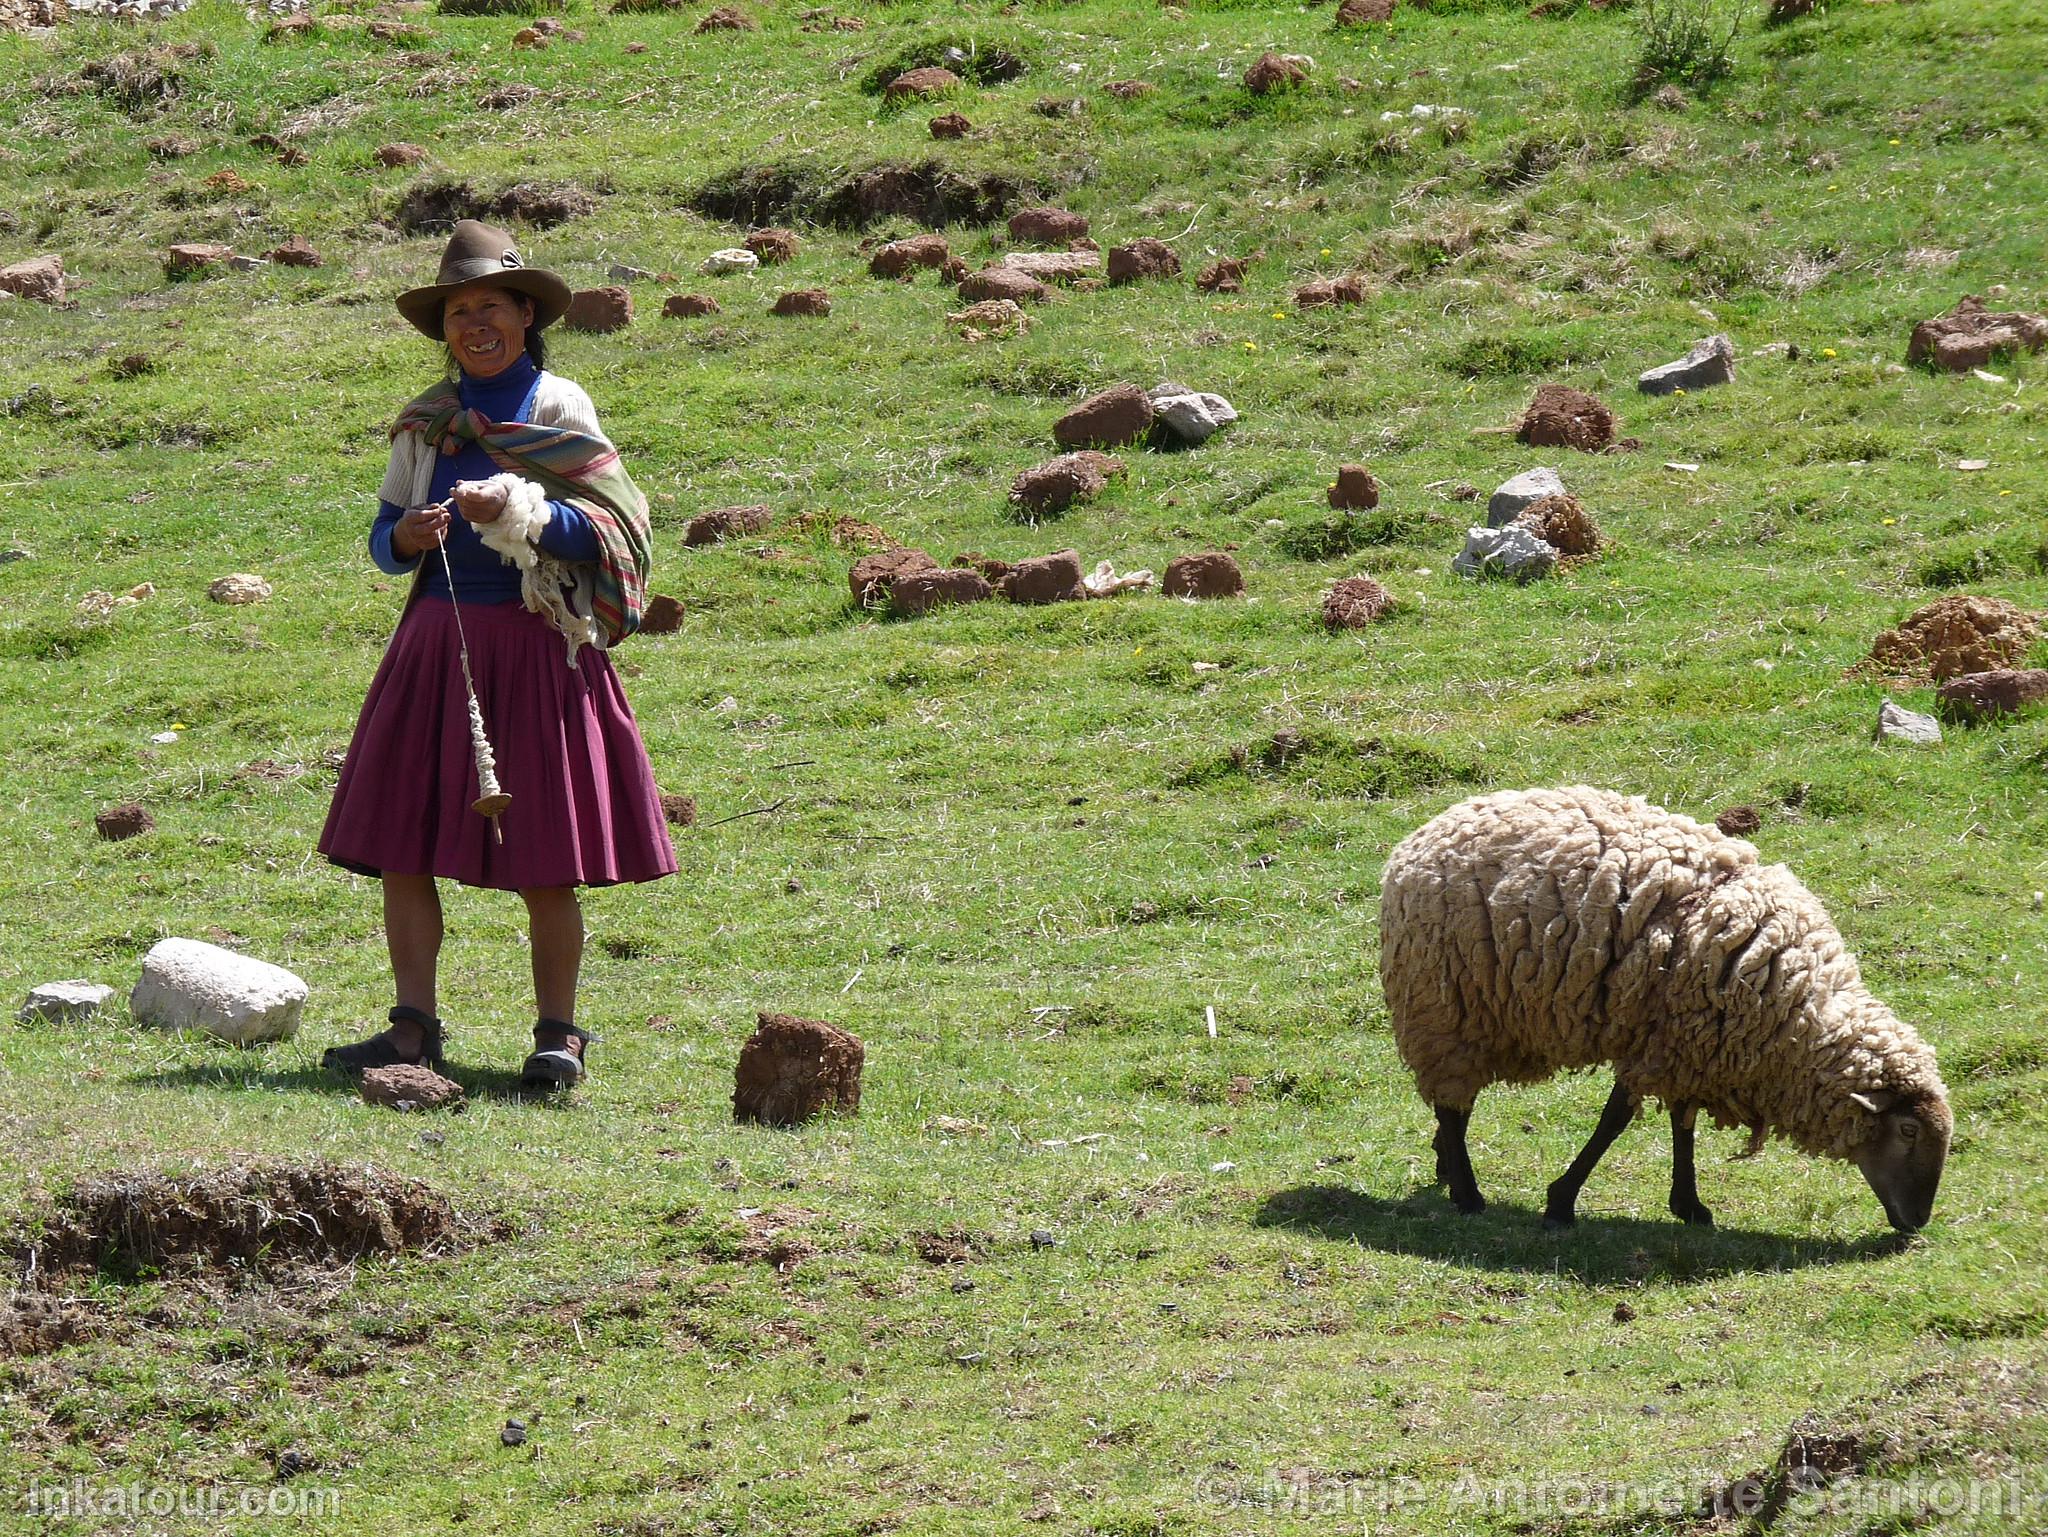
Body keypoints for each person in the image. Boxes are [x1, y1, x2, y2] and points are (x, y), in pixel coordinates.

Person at [317, 220, 676, 1089]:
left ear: (525, 314)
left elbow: (609, 530)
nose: (474, 324)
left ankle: (560, 1037)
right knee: (404, 843)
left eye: (491, 307)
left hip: (537, 646)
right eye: (457, 310)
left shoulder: (560, 408)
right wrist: (403, 533)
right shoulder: (425, 424)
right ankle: (412, 1029)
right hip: (435, 643)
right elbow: (380, 541)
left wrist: (515, 511)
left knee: (545, 852)